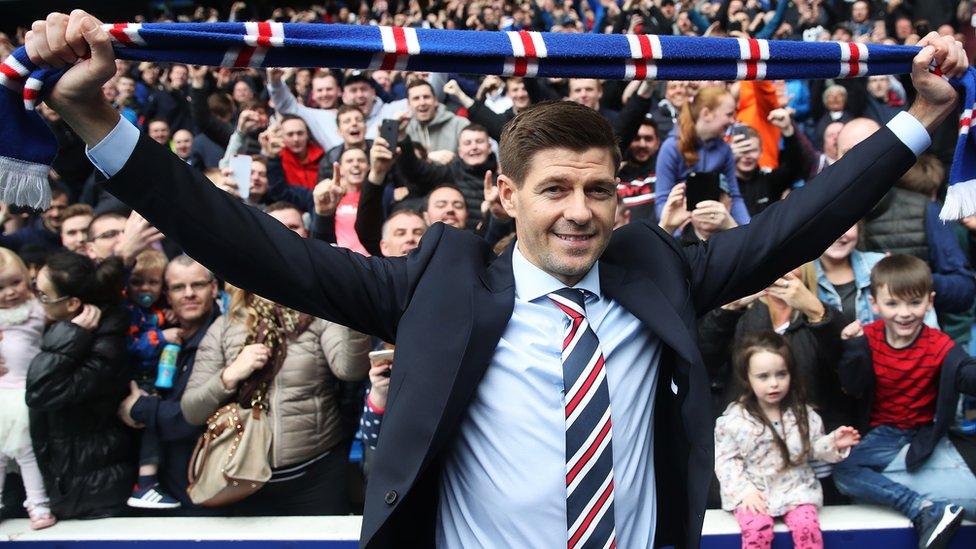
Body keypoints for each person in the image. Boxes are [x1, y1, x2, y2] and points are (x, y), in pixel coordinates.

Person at [25, 13, 965, 547]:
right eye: (555, 189)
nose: (581, 211)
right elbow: (251, 245)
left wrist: (921, 117)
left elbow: (803, 215)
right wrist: (101, 126)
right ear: (504, 194)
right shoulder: (438, 282)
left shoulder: (657, 273)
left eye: (601, 191)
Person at [181, 285, 371, 515]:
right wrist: (229, 376)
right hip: (241, 479)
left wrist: (353, 315)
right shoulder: (224, 327)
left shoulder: (319, 316)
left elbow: (350, 370)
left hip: (317, 474)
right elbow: (192, 411)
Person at [833, 255, 976, 548]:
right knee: (844, 474)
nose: (904, 313)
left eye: (914, 303)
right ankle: (924, 509)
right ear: (875, 304)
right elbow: (851, 384)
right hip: (883, 432)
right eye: (893, 304)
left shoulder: (940, 345)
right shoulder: (868, 338)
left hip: (921, 433)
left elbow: (966, 373)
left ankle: (924, 509)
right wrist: (852, 348)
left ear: (930, 301)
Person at [715, 332, 860, 549]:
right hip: (755, 491)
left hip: (796, 489)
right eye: (763, 377)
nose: (774, 383)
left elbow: (813, 448)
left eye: (781, 374)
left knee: (807, 529)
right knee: (757, 530)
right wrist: (744, 492)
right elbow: (726, 461)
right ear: (748, 378)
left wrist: (833, 444)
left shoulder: (803, 413)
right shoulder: (735, 420)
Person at [25, 251, 135, 519]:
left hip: (94, 489)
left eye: (43, 295)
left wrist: (71, 333)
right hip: (73, 478)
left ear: (72, 303)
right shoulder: (61, 329)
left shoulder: (103, 340)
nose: (37, 301)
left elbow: (41, 391)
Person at [117, 255, 222, 513]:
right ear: (166, 294)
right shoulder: (156, 338)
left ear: (213, 288)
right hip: (162, 489)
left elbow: (193, 418)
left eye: (197, 285)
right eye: (178, 287)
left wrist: (138, 408)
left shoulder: (226, 337)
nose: (188, 294)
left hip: (207, 491)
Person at [122, 249, 182, 509]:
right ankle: (145, 484)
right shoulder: (131, 313)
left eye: (153, 282)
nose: (144, 288)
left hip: (157, 378)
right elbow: (132, 346)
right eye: (137, 281)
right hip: (138, 380)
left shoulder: (158, 311)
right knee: (149, 427)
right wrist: (162, 336)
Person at [0, 248, 55, 529]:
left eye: (15, 282)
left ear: (26, 278)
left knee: (27, 452)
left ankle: (38, 503)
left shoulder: (37, 309)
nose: (9, 292)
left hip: (27, 392)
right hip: (1, 395)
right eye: (0, 287)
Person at [654, 85, 751, 226]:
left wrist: (747, 230)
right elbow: (662, 202)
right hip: (683, 232)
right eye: (729, 114)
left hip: (715, 228)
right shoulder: (671, 147)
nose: (732, 121)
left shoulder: (724, 150)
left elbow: (734, 197)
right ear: (706, 114)